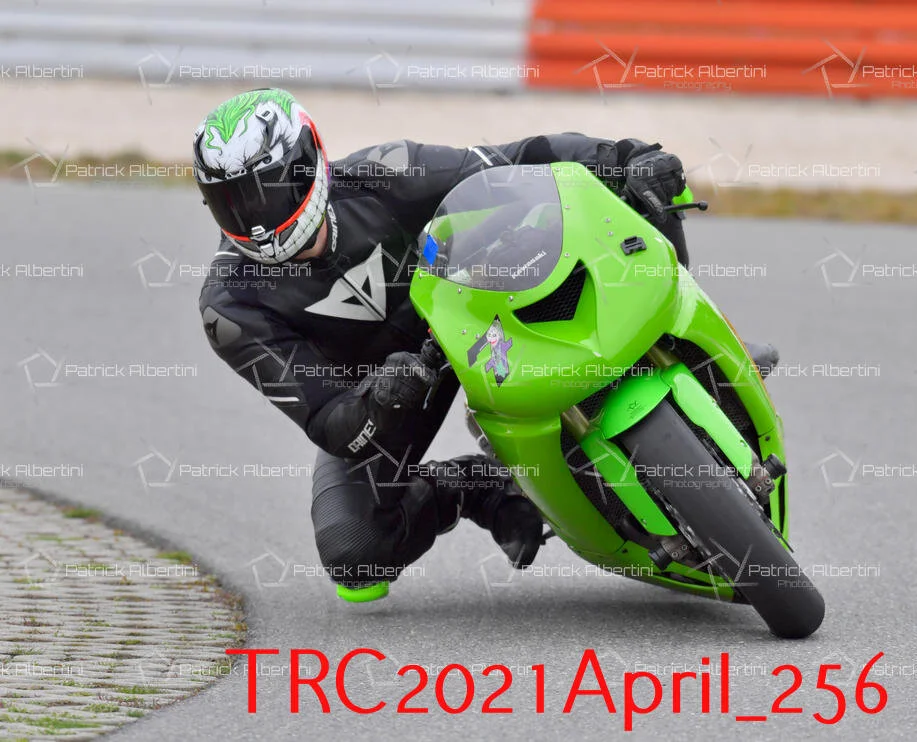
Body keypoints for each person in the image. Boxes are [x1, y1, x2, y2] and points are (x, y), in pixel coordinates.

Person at [193, 88, 779, 601]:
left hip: (479, 313)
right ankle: (478, 488)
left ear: (310, 161)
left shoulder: (385, 173)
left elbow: (518, 162)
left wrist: (625, 156)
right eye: (234, 202)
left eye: (269, 191)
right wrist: (381, 398)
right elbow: (328, 420)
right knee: (355, 556)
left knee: (641, 189)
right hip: (390, 392)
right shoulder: (230, 308)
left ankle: (698, 345)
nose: (259, 219)